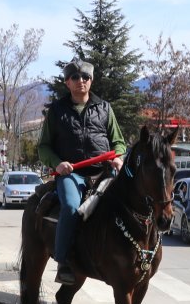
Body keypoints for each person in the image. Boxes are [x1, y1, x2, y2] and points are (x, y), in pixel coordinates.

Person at [36, 59, 128, 284]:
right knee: (70, 206)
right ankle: (63, 261)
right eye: (75, 78)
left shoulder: (105, 108)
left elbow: (119, 142)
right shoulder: (56, 111)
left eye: (85, 77)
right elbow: (43, 147)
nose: (81, 81)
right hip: (72, 174)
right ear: (67, 82)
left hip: (104, 172)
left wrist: (117, 156)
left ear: (91, 80)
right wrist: (57, 163)